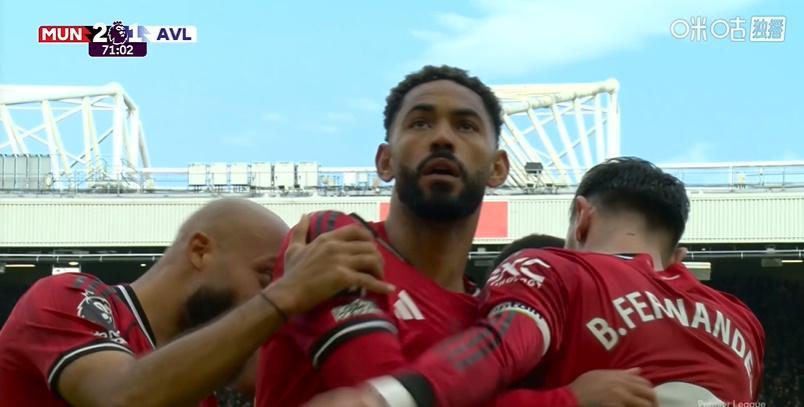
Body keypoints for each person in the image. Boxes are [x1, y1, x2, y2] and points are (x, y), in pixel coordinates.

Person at [256, 66, 654, 407]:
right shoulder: (333, 238)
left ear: (498, 169)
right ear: (385, 161)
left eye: (466, 126)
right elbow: (389, 395)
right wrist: (567, 401)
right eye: (420, 123)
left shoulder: (492, 318)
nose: (443, 138)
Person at [329, 157, 765, 407]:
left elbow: (496, 351)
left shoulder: (553, 269)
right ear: (676, 255)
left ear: (582, 218)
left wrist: (386, 398)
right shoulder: (744, 322)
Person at [0, 198, 392, 406]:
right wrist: (286, 294)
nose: (269, 291)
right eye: (264, 276)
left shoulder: (194, 390)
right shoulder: (70, 295)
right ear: (200, 251)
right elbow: (122, 398)